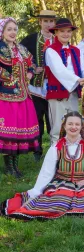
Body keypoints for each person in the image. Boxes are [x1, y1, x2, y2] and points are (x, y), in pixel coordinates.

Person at [1, 111, 84, 220]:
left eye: (77, 124)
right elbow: (46, 173)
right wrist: (36, 193)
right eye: (70, 124)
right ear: (64, 126)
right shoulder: (56, 147)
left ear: (81, 127)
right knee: (58, 201)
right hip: (60, 184)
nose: (73, 127)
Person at [0, 18, 40, 177]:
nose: (12, 33)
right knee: (7, 132)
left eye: (15, 29)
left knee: (17, 132)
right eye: (9, 29)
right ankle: (8, 166)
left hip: (23, 95)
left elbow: (31, 62)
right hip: (6, 96)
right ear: (2, 32)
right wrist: (7, 76)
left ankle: (14, 166)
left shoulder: (21, 48)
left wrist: (30, 72)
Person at [44, 18, 84, 144]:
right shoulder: (51, 50)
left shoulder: (76, 50)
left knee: (73, 126)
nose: (66, 34)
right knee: (57, 128)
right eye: (62, 31)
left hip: (73, 93)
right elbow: (59, 70)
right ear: (56, 33)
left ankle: (71, 158)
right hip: (57, 95)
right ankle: (56, 159)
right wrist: (78, 79)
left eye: (68, 31)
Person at [20, 10, 57, 161]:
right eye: (45, 21)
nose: (48, 24)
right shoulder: (30, 39)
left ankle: (54, 150)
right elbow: (19, 55)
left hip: (54, 87)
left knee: (53, 119)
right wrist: (32, 67)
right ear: (40, 22)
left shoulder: (59, 39)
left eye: (51, 21)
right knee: (37, 119)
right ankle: (37, 150)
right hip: (35, 87)